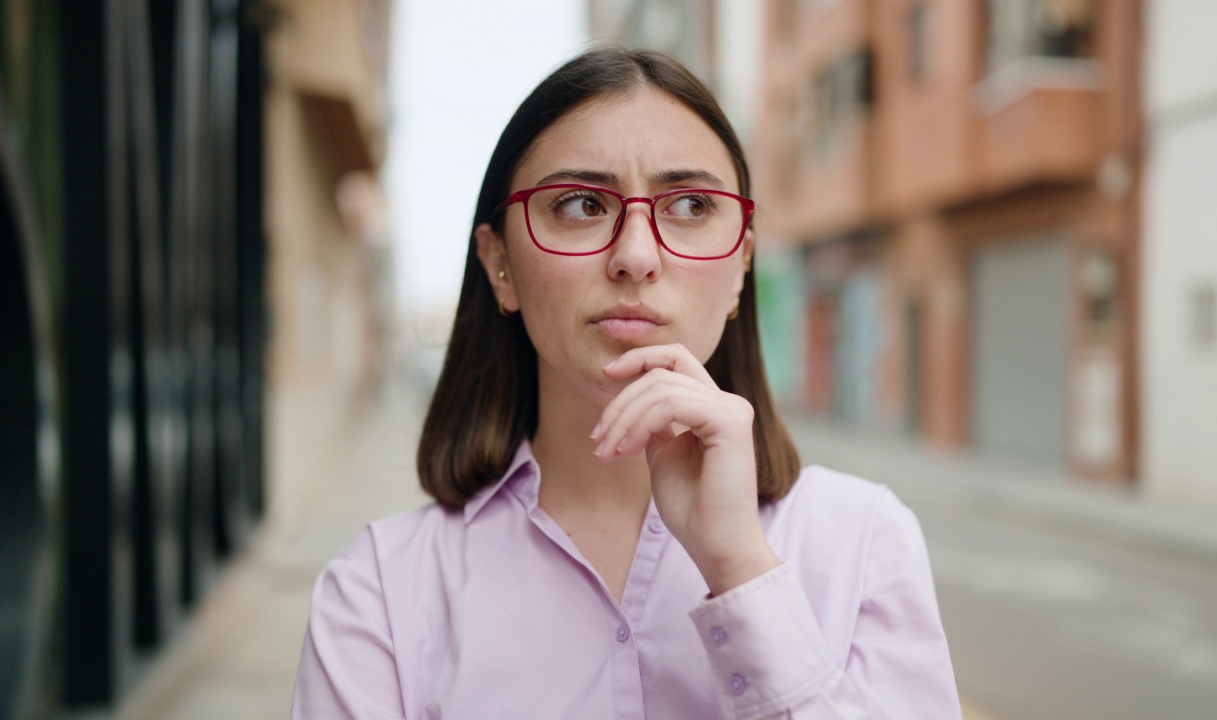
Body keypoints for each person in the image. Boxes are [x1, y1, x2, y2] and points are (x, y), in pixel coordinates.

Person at [291, 47, 961, 719]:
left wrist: (740, 570)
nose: (636, 257)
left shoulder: (862, 541)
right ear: (500, 265)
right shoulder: (380, 590)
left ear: (740, 266)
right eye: (581, 204)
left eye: (692, 205)